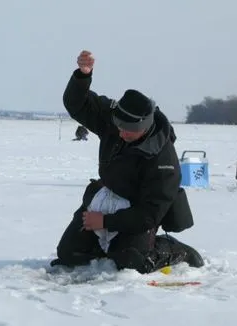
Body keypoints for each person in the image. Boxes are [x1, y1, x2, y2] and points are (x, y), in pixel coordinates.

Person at [50, 50, 204, 274]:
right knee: (69, 254)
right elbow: (77, 104)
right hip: (106, 199)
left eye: (130, 131)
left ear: (145, 126)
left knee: (132, 261)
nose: (123, 134)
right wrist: (82, 76)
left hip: (139, 212)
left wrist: (105, 222)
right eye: (120, 128)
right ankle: (106, 246)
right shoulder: (115, 119)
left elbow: (149, 214)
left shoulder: (163, 159)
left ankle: (173, 250)